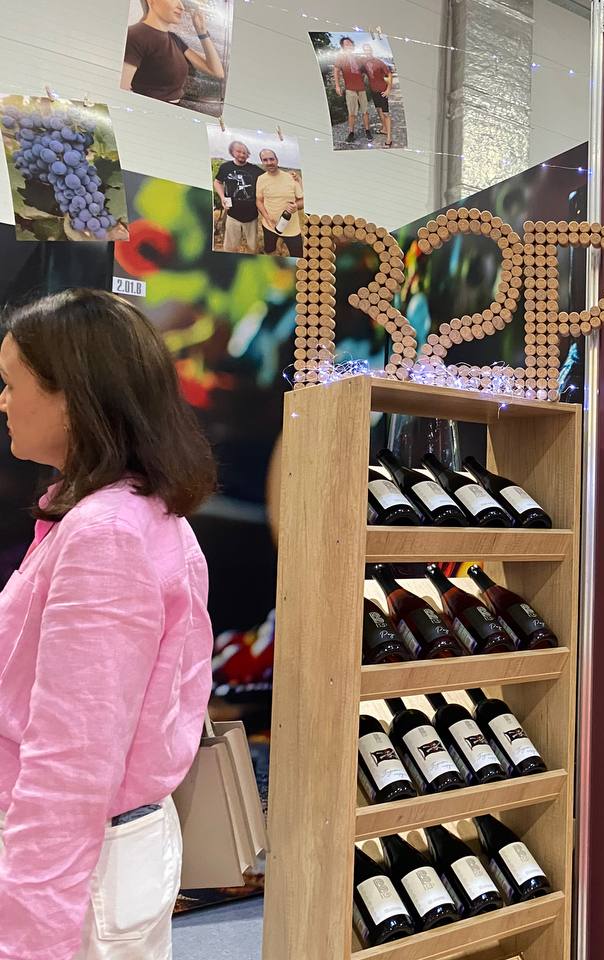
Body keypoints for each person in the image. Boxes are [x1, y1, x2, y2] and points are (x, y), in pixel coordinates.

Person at [0, 289, 217, 959]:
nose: (3, 401)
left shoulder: (105, 534)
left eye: (11, 383)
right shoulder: (130, 512)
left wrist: (29, 937)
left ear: (72, 397)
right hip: (102, 858)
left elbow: (73, 762)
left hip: (78, 866)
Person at [120, 0, 225, 111]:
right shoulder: (135, 36)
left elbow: (217, 71)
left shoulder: (174, 39)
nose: (181, 7)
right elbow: (122, 91)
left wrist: (202, 32)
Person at [213, 139, 263, 253]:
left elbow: (270, 177)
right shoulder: (225, 167)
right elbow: (217, 182)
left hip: (252, 217)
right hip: (232, 215)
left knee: (253, 248)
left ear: (248, 154)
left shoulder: (255, 170)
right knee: (230, 248)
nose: (242, 154)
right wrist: (222, 197)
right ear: (232, 152)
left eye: (244, 152)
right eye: (238, 151)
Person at [256, 148, 304, 258]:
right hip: (269, 226)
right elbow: (259, 200)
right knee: (269, 251)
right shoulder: (261, 179)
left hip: (292, 229)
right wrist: (267, 218)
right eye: (265, 160)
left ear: (277, 160)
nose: (269, 162)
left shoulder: (291, 178)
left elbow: (302, 201)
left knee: (298, 257)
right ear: (262, 162)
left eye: (271, 159)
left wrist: (296, 206)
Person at [333, 36, 371, 144]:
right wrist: (337, 86)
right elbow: (336, 70)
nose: (349, 45)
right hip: (350, 89)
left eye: (350, 43)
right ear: (343, 47)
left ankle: (367, 131)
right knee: (352, 113)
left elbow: (365, 70)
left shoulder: (358, 58)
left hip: (361, 89)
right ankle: (351, 133)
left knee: (365, 111)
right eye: (346, 44)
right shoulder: (341, 57)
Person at [362, 43, 395, 148]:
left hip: (382, 91)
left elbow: (389, 74)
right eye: (365, 50)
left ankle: (389, 138)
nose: (367, 52)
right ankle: (384, 129)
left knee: (386, 114)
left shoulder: (378, 62)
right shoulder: (365, 63)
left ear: (371, 50)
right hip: (374, 91)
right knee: (379, 110)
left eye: (368, 49)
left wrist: (388, 89)